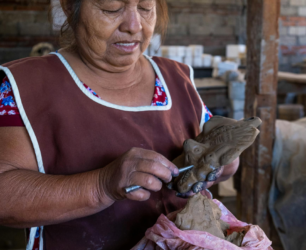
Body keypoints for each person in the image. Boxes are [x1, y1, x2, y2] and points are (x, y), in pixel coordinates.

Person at [0, 0, 240, 249]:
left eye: (145, 8)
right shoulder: (25, 86)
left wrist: (224, 161)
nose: (134, 26)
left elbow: (220, 165)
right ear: (71, 6)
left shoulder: (177, 78)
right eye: (111, 8)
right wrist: (101, 186)